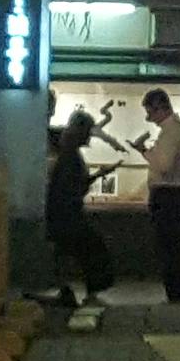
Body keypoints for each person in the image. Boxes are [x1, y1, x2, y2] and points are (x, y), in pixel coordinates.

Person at [40, 107, 115, 321]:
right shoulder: (70, 156)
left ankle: (70, 290)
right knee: (91, 248)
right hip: (67, 216)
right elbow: (72, 187)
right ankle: (89, 289)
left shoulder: (65, 152)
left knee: (78, 251)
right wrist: (97, 176)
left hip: (62, 214)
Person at [138, 87, 180, 307]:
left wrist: (144, 151)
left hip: (164, 194)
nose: (149, 118)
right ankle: (178, 291)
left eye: (150, 112)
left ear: (159, 108)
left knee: (166, 247)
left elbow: (163, 166)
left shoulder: (170, 131)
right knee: (174, 245)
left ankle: (174, 293)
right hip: (178, 192)